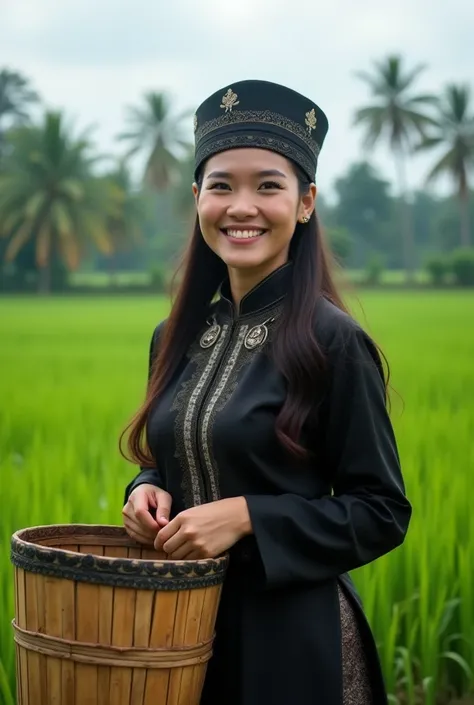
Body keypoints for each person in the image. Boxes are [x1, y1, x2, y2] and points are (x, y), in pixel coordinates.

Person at [121, 79, 412, 705]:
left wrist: (248, 516)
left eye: (268, 186)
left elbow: (381, 511)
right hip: (178, 631)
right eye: (222, 185)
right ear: (197, 198)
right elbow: (176, 452)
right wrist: (145, 489)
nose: (241, 206)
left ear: (305, 202)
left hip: (292, 643)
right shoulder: (175, 335)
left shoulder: (332, 342)